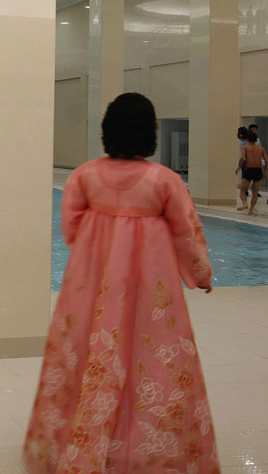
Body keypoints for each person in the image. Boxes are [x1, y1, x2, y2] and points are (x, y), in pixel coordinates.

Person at [24, 92, 217, 473]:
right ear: (150, 133)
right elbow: (186, 233)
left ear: (107, 131)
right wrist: (200, 273)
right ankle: (146, 452)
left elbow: (71, 228)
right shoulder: (165, 180)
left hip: (91, 284)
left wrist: (99, 249)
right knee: (152, 357)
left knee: (85, 353)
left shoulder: (84, 175)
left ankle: (73, 443)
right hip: (151, 286)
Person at [237, 131, 268, 215]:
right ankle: (251, 210)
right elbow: (267, 160)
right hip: (258, 170)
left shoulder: (245, 147)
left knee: (242, 191)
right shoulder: (261, 149)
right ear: (256, 140)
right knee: (255, 192)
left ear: (247, 139)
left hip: (249, 169)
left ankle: (245, 204)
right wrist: (265, 171)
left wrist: (238, 168)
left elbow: (242, 158)